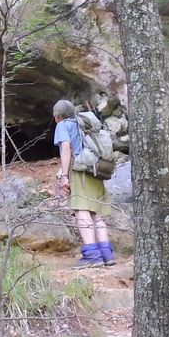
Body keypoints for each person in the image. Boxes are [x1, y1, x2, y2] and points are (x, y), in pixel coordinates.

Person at [52, 99, 116, 269]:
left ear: (57, 116)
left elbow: (66, 148)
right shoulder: (83, 124)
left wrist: (64, 175)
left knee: (82, 210)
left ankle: (92, 255)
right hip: (95, 169)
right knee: (96, 213)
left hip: (80, 172)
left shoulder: (63, 125)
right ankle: (106, 254)